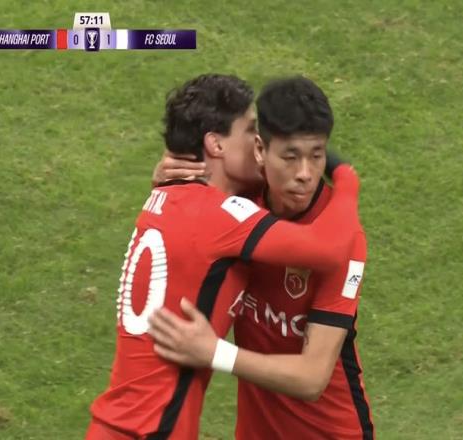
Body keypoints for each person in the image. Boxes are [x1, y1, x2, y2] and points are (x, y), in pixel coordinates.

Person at [85, 74, 361, 440]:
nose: (256, 142)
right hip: (156, 429)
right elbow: (327, 248)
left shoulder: (167, 195)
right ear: (215, 144)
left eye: (315, 156)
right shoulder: (224, 216)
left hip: (114, 423)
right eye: (250, 131)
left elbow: (313, 377)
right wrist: (346, 178)